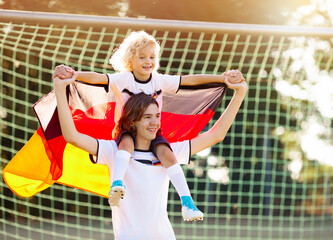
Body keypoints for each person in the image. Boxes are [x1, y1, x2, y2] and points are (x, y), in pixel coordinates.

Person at [53, 30, 243, 221]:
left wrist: (221, 79)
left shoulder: (159, 80)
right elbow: (98, 77)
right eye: (142, 57)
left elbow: (189, 80)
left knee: (167, 153)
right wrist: (74, 75)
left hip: (154, 136)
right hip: (126, 129)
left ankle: (187, 202)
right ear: (130, 60)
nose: (148, 61)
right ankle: (117, 183)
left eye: (152, 57)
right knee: (126, 144)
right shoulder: (123, 79)